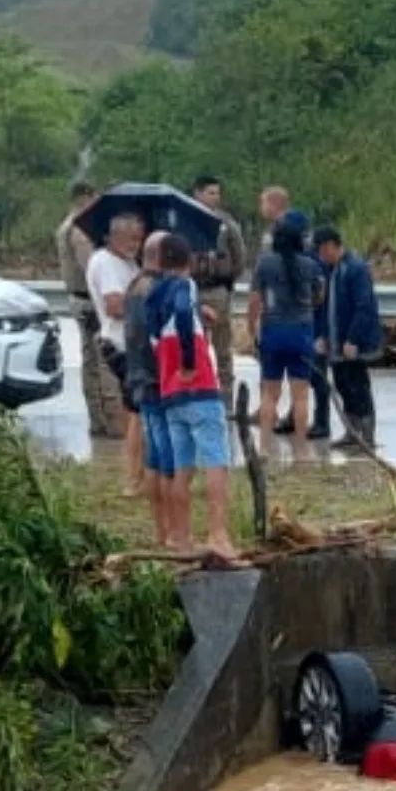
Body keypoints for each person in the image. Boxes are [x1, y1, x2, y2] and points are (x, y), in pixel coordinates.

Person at [146, 232, 236, 560]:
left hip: (170, 393)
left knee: (182, 467)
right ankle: (217, 534)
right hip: (198, 386)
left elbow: (161, 332)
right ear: (189, 261)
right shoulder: (186, 286)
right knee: (216, 461)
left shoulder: (152, 294)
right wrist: (188, 360)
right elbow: (183, 311)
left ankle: (182, 538)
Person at [87, 213, 147, 495]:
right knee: (137, 412)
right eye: (132, 238)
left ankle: (140, 472)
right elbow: (115, 306)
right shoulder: (107, 263)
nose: (137, 244)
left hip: (131, 343)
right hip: (121, 345)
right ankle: (134, 478)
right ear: (114, 236)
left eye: (140, 238)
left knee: (138, 411)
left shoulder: (128, 262)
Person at [248, 215, 321, 441]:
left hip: (273, 331)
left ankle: (265, 447)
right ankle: (300, 447)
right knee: (300, 396)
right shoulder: (309, 265)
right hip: (301, 332)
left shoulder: (265, 263)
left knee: (270, 394)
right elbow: (319, 295)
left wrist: (252, 328)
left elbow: (254, 300)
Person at [124, 232, 176, 546]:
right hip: (162, 382)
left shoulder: (134, 286)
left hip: (141, 380)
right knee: (169, 464)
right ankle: (172, 533)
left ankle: (162, 531)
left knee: (155, 460)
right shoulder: (158, 291)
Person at [314, 226, 383, 449]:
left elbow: (364, 307)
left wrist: (352, 339)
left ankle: (367, 434)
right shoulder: (331, 270)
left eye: (323, 251)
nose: (321, 256)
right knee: (343, 385)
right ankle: (351, 431)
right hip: (336, 340)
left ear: (332, 246)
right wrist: (324, 335)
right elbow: (326, 307)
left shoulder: (355, 269)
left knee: (358, 385)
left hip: (352, 342)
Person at [56, 182, 113, 437]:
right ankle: (105, 418)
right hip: (89, 301)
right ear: (85, 197)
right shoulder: (79, 229)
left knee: (90, 359)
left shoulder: (65, 225)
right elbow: (92, 269)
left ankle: (97, 417)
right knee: (101, 360)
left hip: (78, 298)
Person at [189, 175, 249, 412]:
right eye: (211, 192)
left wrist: (228, 279)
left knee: (223, 349)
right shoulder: (186, 219)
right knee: (194, 347)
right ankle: (197, 396)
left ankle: (226, 402)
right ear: (198, 193)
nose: (216, 197)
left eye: (217, 193)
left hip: (217, 290)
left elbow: (240, 255)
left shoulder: (226, 223)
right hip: (193, 290)